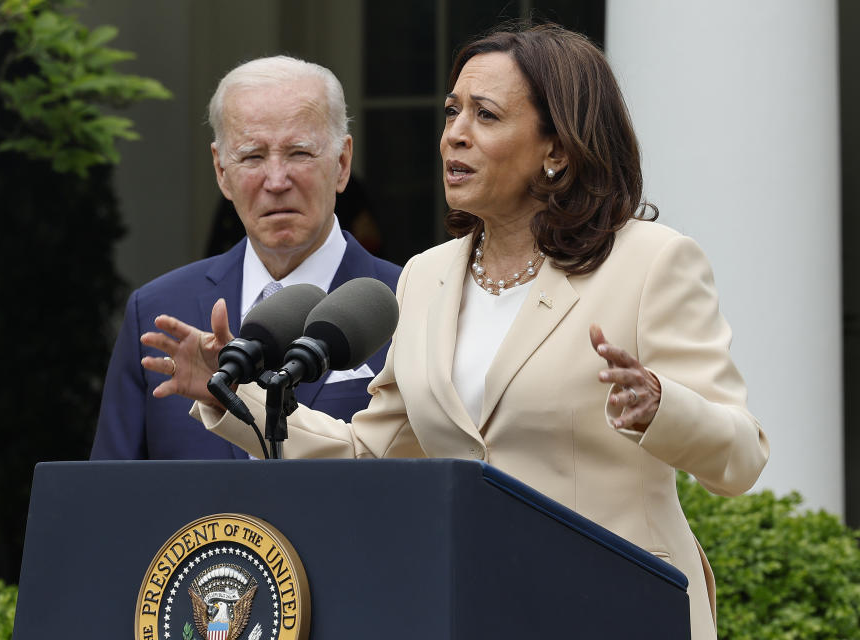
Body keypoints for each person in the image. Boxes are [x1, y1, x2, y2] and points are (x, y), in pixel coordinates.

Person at [140, 25, 768, 639]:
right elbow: (371, 453)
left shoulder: (650, 262)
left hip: (615, 605)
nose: (454, 137)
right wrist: (226, 393)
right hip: (476, 606)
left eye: (486, 116)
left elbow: (740, 456)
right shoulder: (426, 276)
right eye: (451, 113)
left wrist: (660, 404)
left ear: (556, 148)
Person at [90, 56, 401, 460]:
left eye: (299, 153)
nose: (276, 180)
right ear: (221, 170)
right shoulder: (157, 311)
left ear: (342, 164)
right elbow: (111, 497)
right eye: (253, 156)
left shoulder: (411, 302)